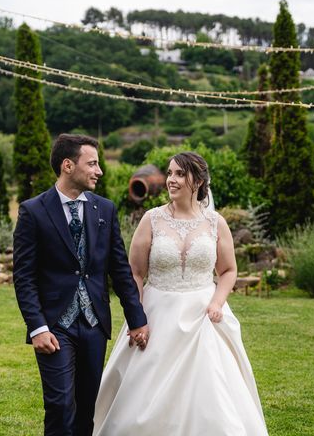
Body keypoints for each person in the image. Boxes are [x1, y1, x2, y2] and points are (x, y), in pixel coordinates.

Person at [93, 151, 268, 435]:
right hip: (156, 312)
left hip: (203, 317)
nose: (171, 180)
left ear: (197, 181)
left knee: (213, 392)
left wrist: (217, 303)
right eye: (170, 173)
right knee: (143, 394)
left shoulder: (215, 223)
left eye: (179, 174)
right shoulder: (151, 219)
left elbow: (228, 271)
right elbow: (135, 273)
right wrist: (137, 316)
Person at [13, 134, 150, 436]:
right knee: (61, 405)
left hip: (93, 324)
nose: (99, 171)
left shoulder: (105, 209)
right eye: (92, 163)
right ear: (67, 165)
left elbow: (120, 270)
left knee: (86, 408)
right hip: (53, 326)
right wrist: (37, 327)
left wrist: (137, 319)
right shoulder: (33, 211)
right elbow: (23, 276)